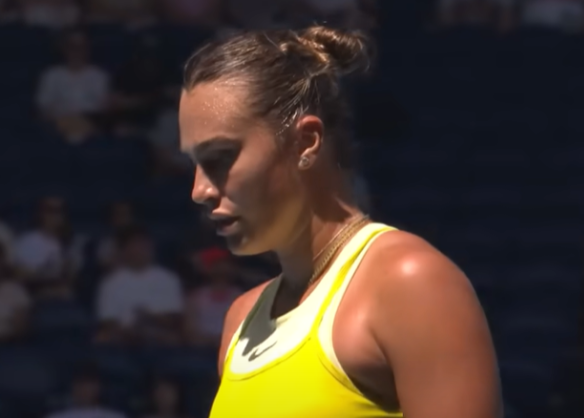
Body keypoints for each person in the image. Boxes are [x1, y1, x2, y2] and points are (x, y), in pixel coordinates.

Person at [179, 26, 500, 417]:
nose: (199, 190)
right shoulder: (240, 321)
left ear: (306, 141)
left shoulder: (410, 284)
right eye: (194, 164)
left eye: (219, 158)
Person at [95, 225, 184, 345]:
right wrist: (130, 331)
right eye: (135, 245)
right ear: (124, 249)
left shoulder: (169, 278)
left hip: (159, 334)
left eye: (144, 245)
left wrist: (148, 317)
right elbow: (107, 321)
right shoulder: (110, 282)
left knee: (174, 339)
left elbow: (174, 319)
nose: (141, 250)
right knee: (102, 338)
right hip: (122, 338)